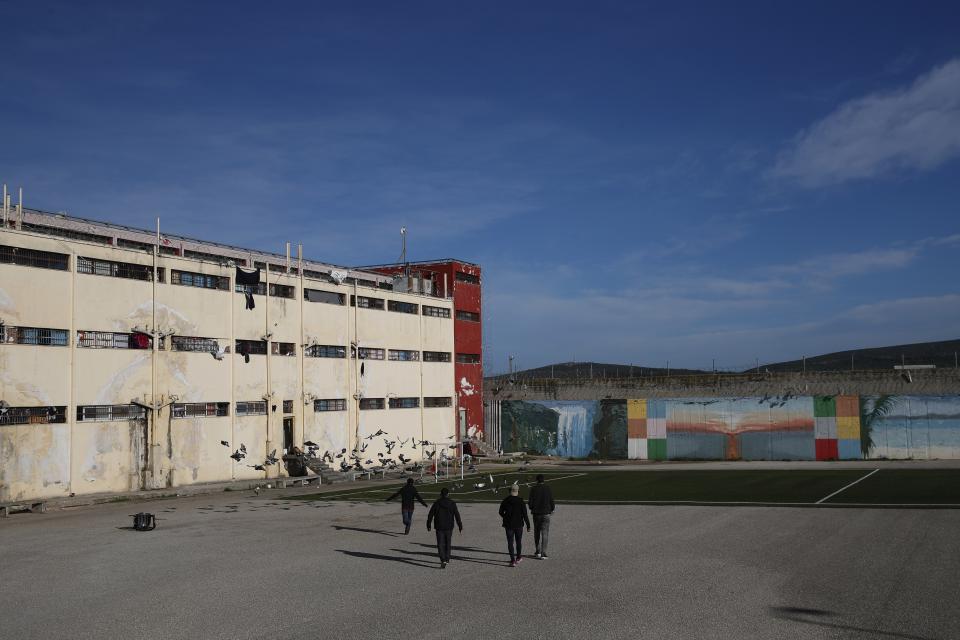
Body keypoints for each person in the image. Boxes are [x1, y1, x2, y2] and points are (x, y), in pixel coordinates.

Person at [426, 488, 462, 569]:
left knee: (440, 544)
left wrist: (428, 524)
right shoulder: (452, 503)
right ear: (448, 494)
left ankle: (443, 559)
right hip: (449, 526)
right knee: (448, 543)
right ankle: (447, 558)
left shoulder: (437, 503)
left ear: (440, 494)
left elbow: (430, 514)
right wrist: (460, 525)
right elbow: (457, 514)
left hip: (439, 526)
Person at [498, 484, 530, 567]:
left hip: (508, 524)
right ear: (517, 491)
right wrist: (528, 525)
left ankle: (512, 560)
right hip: (519, 524)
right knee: (518, 541)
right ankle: (518, 557)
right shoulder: (521, 501)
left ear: (510, 491)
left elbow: (500, 512)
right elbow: (525, 514)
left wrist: (506, 517)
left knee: (510, 542)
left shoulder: (505, 500)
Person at [528, 474, 555, 559]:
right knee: (545, 533)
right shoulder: (547, 488)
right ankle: (544, 553)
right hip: (546, 513)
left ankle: (538, 551)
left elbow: (530, 503)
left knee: (537, 532)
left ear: (537, 480)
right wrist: (552, 509)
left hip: (536, 514)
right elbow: (551, 500)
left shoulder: (533, 489)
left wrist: (532, 507)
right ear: (544, 480)